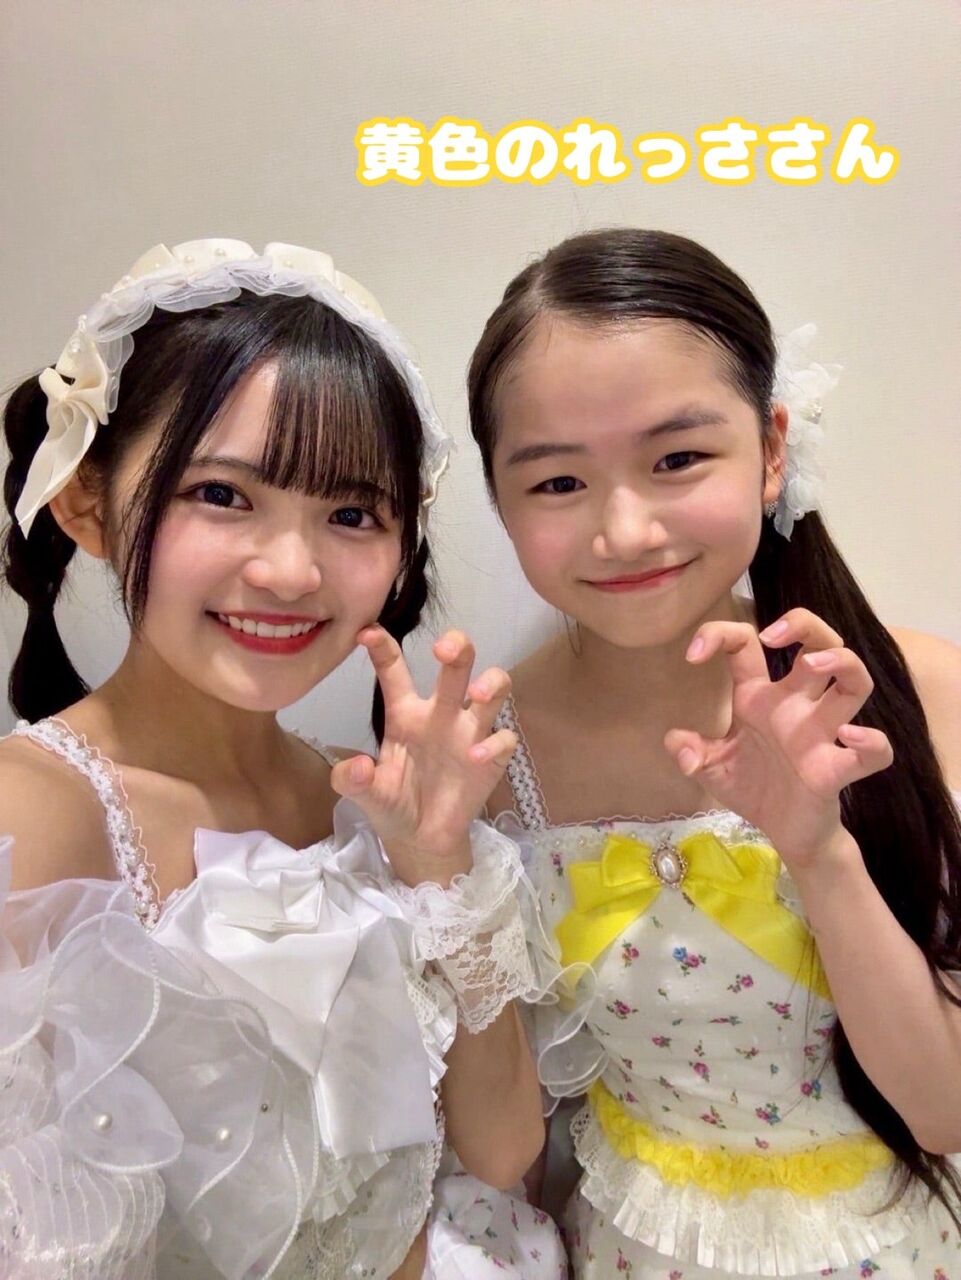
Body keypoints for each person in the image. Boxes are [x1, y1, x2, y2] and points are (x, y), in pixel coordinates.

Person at [0, 238, 566, 1278]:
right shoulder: (29, 818)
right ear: (87, 501)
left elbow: (502, 1150)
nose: (292, 570)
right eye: (223, 495)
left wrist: (443, 872)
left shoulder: (367, 799)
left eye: (351, 514)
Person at [466, 227, 961, 1278]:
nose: (624, 529)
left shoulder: (918, 693)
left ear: (771, 450)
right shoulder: (491, 750)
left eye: (677, 459)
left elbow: (944, 1108)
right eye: (557, 482)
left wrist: (817, 850)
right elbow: (509, 1145)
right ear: (499, 499)